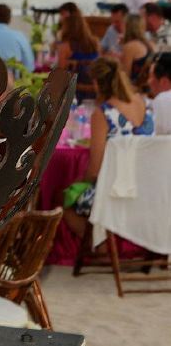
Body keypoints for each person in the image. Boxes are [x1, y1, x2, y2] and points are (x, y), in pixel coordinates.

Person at [63, 57, 154, 239]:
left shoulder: (104, 113)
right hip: (147, 186)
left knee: (65, 201)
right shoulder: (142, 104)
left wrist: (77, 184)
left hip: (117, 190)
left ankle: (101, 250)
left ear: (97, 83)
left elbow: (94, 170)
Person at [120, 14, 154, 84]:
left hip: (136, 88)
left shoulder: (130, 46)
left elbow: (125, 75)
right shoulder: (151, 44)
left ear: (127, 27)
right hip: (150, 86)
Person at [149, 52, 171, 135]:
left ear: (164, 82)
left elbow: (159, 142)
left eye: (150, 76)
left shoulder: (163, 100)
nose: (148, 82)